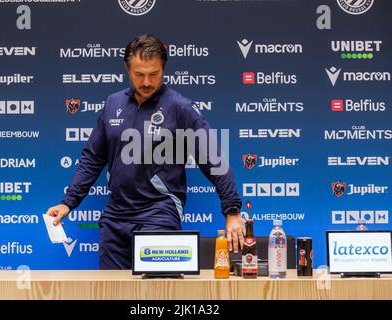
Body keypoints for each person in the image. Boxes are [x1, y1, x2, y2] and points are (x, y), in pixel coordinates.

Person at [46, 34, 244, 269]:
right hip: (116, 215)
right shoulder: (113, 104)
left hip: (159, 212)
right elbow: (93, 157)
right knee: (112, 292)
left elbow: (213, 159)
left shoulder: (180, 108)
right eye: (139, 74)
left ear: (164, 69)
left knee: (157, 294)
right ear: (127, 69)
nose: (147, 82)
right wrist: (69, 202)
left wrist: (232, 210)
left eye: (154, 74)